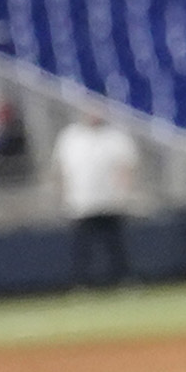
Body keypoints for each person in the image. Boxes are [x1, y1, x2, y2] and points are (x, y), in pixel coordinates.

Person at [52, 109, 141, 287]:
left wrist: (124, 194)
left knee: (115, 245)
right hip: (81, 201)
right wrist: (63, 196)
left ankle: (123, 279)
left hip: (110, 200)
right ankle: (81, 283)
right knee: (82, 247)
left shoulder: (116, 136)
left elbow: (125, 168)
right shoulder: (70, 136)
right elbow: (60, 169)